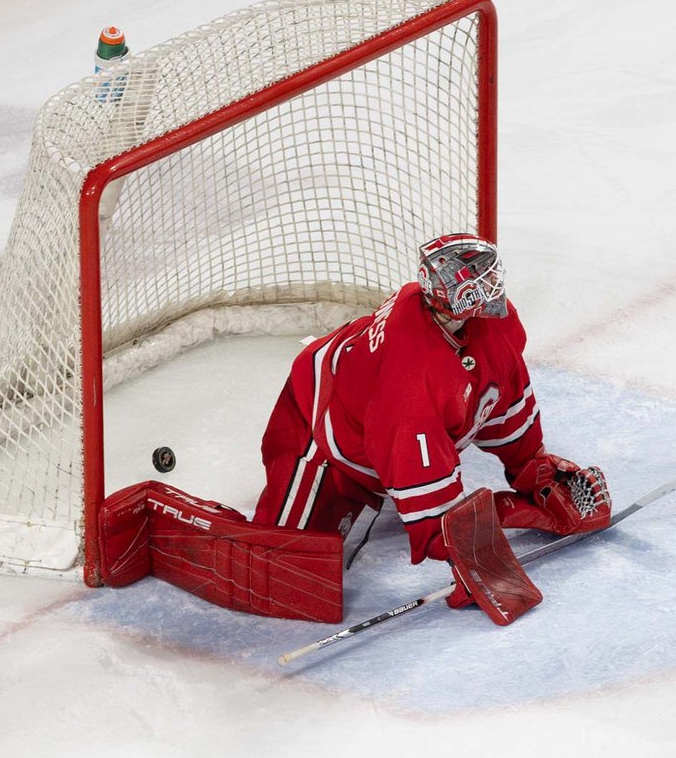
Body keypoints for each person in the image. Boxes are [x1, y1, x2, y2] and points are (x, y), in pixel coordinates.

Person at [255, 233, 611, 563]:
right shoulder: (412, 379)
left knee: (473, 375)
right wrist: (510, 516)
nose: (494, 283)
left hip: (372, 403)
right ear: (460, 295)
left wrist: (533, 469)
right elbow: (434, 526)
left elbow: (505, 391)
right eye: (482, 279)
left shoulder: (485, 322)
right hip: (319, 422)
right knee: (283, 557)